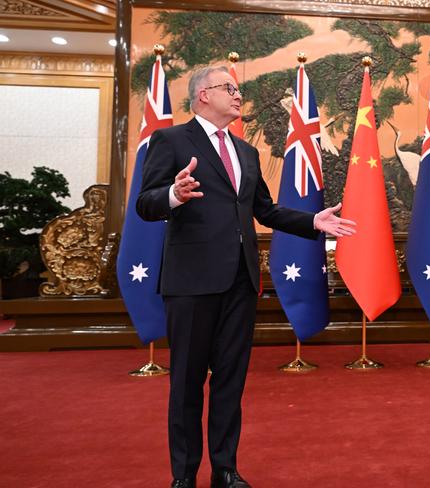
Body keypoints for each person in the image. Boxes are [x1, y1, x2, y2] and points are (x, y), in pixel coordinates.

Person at [136, 65, 355, 488]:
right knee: (186, 383)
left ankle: (225, 469)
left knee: (230, 382)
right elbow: (146, 204)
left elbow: (265, 211)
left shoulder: (247, 153)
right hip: (191, 283)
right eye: (229, 89)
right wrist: (172, 195)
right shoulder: (172, 141)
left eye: (238, 90)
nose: (238, 96)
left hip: (241, 282)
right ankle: (183, 476)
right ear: (203, 95)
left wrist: (313, 222)